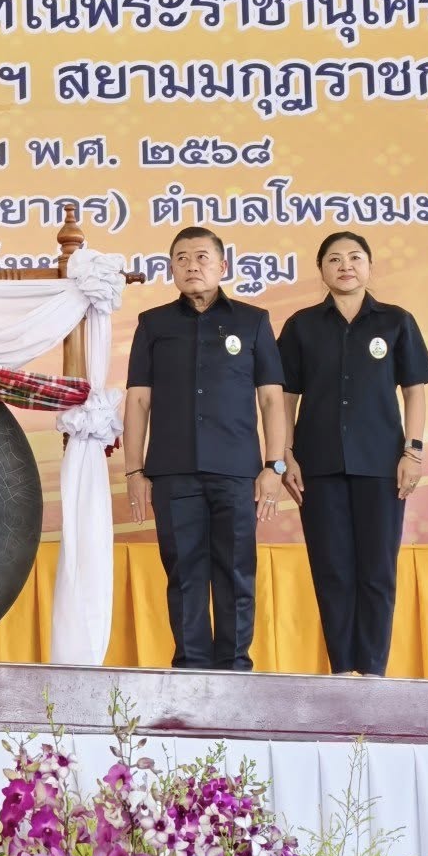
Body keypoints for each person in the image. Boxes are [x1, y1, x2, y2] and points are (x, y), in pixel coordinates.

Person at [123, 227, 290, 671]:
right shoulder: (153, 324)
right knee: (184, 573)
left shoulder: (253, 321)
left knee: (235, 572)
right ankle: (190, 667)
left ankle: (236, 666)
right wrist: (134, 472)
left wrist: (274, 464)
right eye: (181, 258)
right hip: (172, 472)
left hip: (237, 471)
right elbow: (139, 400)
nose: (192, 265)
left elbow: (272, 398)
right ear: (172, 268)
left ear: (223, 266)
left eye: (201, 257)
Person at [277, 232, 428, 677]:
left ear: (368, 266)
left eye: (354, 258)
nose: (345, 265)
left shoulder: (396, 321)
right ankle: (343, 671)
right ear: (322, 270)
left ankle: (373, 673)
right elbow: (285, 396)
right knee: (332, 571)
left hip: (383, 464)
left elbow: (415, 392)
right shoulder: (302, 325)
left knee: (377, 572)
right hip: (318, 465)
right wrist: (285, 453)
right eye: (334, 259)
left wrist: (414, 451)